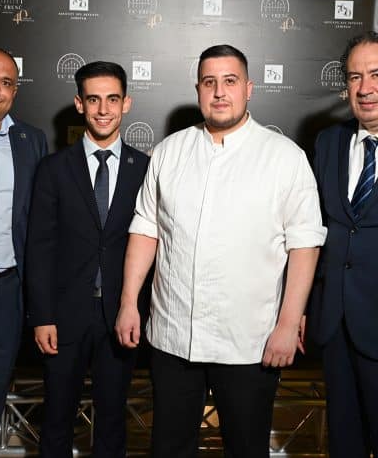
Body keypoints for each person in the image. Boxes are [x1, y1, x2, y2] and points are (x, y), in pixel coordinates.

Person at [115, 44, 326, 458]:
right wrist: (127, 302)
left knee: (246, 449)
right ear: (198, 89)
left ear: (248, 88)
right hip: (173, 337)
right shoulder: (169, 151)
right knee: (169, 448)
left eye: (230, 81)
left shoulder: (285, 157)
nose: (219, 92)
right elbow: (146, 229)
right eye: (209, 82)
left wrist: (287, 325)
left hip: (249, 342)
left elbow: (304, 245)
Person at [25, 61, 149, 458]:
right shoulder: (53, 169)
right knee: (57, 419)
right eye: (93, 100)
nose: (103, 109)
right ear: (79, 104)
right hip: (64, 316)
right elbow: (39, 247)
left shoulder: (146, 170)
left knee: (112, 421)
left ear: (126, 103)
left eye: (112, 99)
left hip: (120, 316)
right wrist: (42, 315)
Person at [308, 31, 378, 458]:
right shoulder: (328, 142)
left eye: (376, 75)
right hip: (335, 325)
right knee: (344, 443)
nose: (365, 88)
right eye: (355, 77)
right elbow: (315, 231)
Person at [0, 47, 47, 458]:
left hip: (6, 292)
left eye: (6, 82)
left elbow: (39, 225)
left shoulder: (30, 141)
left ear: (15, 91)